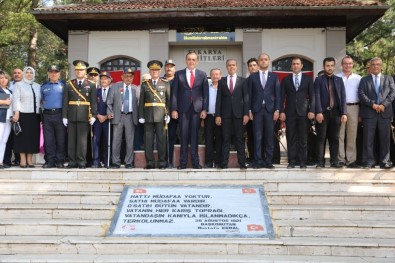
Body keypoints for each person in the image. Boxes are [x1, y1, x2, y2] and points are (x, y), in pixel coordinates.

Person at [171, 51, 209, 169]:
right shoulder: (178, 74)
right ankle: (182, 163)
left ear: (196, 61)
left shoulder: (202, 74)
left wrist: (205, 109)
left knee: (194, 136)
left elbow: (206, 93)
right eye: (189, 59)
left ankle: (195, 163)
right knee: (183, 136)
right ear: (186, 61)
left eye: (193, 59)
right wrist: (174, 109)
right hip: (183, 110)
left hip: (197, 110)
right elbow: (175, 93)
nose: (191, 61)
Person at [358, 57, 395, 169]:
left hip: (385, 113)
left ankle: (385, 161)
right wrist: (373, 104)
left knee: (385, 139)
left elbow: (393, 93)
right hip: (369, 113)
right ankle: (369, 161)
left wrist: (383, 104)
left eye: (378, 64)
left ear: (381, 66)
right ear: (370, 66)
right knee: (368, 139)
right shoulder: (364, 80)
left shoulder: (388, 79)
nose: (375, 66)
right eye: (373, 64)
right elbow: (361, 94)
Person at [280, 57, 315, 168]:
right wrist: (281, 111)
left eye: (297, 64)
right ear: (291, 66)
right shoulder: (286, 80)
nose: (296, 65)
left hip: (304, 113)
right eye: (294, 64)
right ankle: (292, 161)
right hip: (289, 113)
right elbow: (281, 97)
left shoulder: (308, 79)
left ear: (301, 66)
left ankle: (302, 161)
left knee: (303, 138)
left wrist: (312, 110)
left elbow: (313, 96)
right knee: (291, 138)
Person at [62, 60, 97, 169]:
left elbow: (93, 102)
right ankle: (72, 162)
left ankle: (82, 162)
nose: (79, 72)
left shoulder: (91, 85)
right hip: (72, 115)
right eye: (77, 70)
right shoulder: (69, 84)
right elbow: (65, 101)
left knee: (82, 142)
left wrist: (94, 115)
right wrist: (64, 116)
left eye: (81, 70)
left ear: (85, 71)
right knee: (71, 141)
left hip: (84, 116)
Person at [248, 52, 281, 169]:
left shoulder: (274, 77)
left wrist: (277, 110)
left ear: (268, 62)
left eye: (265, 59)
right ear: (258, 62)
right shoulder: (252, 77)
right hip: (256, 110)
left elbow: (278, 94)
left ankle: (268, 161)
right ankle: (258, 161)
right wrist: (249, 110)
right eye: (261, 59)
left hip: (270, 111)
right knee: (257, 136)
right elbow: (249, 95)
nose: (263, 61)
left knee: (269, 137)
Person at [215, 59, 249, 169]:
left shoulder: (243, 81)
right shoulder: (221, 81)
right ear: (226, 67)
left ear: (237, 66)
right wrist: (218, 115)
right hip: (225, 115)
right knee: (226, 139)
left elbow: (246, 99)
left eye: (233, 65)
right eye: (229, 65)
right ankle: (223, 164)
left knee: (239, 139)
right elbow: (218, 99)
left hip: (239, 115)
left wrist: (246, 114)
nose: (231, 67)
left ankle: (242, 164)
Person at [314, 57, 347, 168]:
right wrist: (318, 111)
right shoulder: (318, 80)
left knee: (335, 138)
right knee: (321, 138)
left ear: (334, 66)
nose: (330, 68)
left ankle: (334, 161)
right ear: (324, 67)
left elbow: (343, 97)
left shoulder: (339, 80)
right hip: (323, 113)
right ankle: (320, 161)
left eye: (332, 65)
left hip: (336, 113)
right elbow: (316, 96)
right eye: (327, 66)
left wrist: (344, 113)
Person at [139, 60, 170, 169]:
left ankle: (162, 162)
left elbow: (168, 100)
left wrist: (168, 114)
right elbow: (141, 102)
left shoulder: (165, 83)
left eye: (156, 70)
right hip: (148, 115)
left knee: (161, 140)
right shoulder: (145, 84)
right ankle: (150, 162)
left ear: (160, 71)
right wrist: (141, 116)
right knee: (148, 140)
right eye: (152, 70)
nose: (154, 72)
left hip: (161, 115)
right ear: (150, 71)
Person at [107, 68, 138, 169]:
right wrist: (110, 112)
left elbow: (139, 104)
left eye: (130, 76)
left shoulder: (136, 88)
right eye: (126, 76)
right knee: (116, 140)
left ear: (133, 78)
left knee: (130, 141)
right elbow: (109, 102)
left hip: (130, 116)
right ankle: (115, 162)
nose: (128, 78)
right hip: (118, 116)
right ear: (122, 77)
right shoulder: (115, 86)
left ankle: (128, 162)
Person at [12, 66, 41, 168]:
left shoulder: (38, 86)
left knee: (32, 138)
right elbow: (16, 99)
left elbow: (40, 100)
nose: (29, 74)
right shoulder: (19, 85)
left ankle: (30, 159)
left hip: (35, 115)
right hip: (22, 114)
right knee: (22, 137)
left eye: (31, 72)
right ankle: (22, 159)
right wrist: (16, 113)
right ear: (24, 74)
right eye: (27, 72)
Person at [336, 56, 362, 168]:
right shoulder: (336, 77)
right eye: (345, 63)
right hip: (339, 109)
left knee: (352, 135)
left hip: (354, 108)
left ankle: (351, 160)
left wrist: (361, 113)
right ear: (342, 65)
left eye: (350, 63)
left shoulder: (358, 78)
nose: (348, 65)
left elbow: (361, 95)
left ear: (353, 65)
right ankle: (340, 159)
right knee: (339, 134)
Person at [41, 65, 66, 168]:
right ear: (48, 74)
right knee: (48, 140)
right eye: (51, 72)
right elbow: (42, 101)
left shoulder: (64, 85)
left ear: (59, 74)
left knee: (60, 139)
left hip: (60, 114)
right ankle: (50, 161)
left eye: (56, 72)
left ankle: (60, 161)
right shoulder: (44, 86)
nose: (54, 74)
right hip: (47, 115)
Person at [92, 71, 112, 168]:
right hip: (97, 120)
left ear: (109, 80)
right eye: (102, 79)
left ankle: (107, 161)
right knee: (96, 141)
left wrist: (109, 115)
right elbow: (93, 105)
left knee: (107, 141)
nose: (104, 81)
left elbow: (116, 105)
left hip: (108, 120)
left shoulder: (113, 91)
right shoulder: (96, 91)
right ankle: (96, 161)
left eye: (106, 79)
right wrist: (97, 115)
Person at [4, 68, 23, 167]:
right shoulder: (8, 85)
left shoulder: (26, 85)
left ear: (22, 75)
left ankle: (18, 159)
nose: (17, 74)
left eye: (19, 73)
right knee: (8, 139)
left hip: (21, 115)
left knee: (19, 137)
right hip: (8, 116)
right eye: (15, 73)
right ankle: (6, 160)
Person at [204, 68, 222, 169]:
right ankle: (209, 162)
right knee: (209, 140)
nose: (215, 76)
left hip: (220, 118)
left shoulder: (223, 88)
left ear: (220, 75)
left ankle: (219, 162)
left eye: (217, 74)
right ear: (210, 76)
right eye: (213, 74)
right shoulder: (207, 88)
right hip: (209, 117)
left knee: (220, 140)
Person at [163, 59, 178, 168]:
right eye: (167, 66)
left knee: (174, 137)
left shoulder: (179, 80)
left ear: (174, 69)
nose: (169, 68)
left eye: (171, 66)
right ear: (165, 68)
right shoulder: (160, 80)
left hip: (176, 114)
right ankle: (165, 161)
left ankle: (173, 161)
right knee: (163, 138)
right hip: (162, 113)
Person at [246, 58, 258, 164]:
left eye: (254, 65)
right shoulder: (246, 81)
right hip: (249, 114)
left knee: (260, 136)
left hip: (261, 113)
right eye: (250, 66)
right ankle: (252, 157)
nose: (252, 67)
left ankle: (260, 157)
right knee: (251, 136)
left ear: (258, 67)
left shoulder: (263, 79)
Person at [0, 71, 12, 169]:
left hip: (8, 119)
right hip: (1, 118)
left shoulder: (10, 91)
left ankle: (1, 161)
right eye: (1, 78)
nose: (3, 80)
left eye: (5, 78)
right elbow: (6, 102)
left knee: (4, 141)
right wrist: (4, 101)